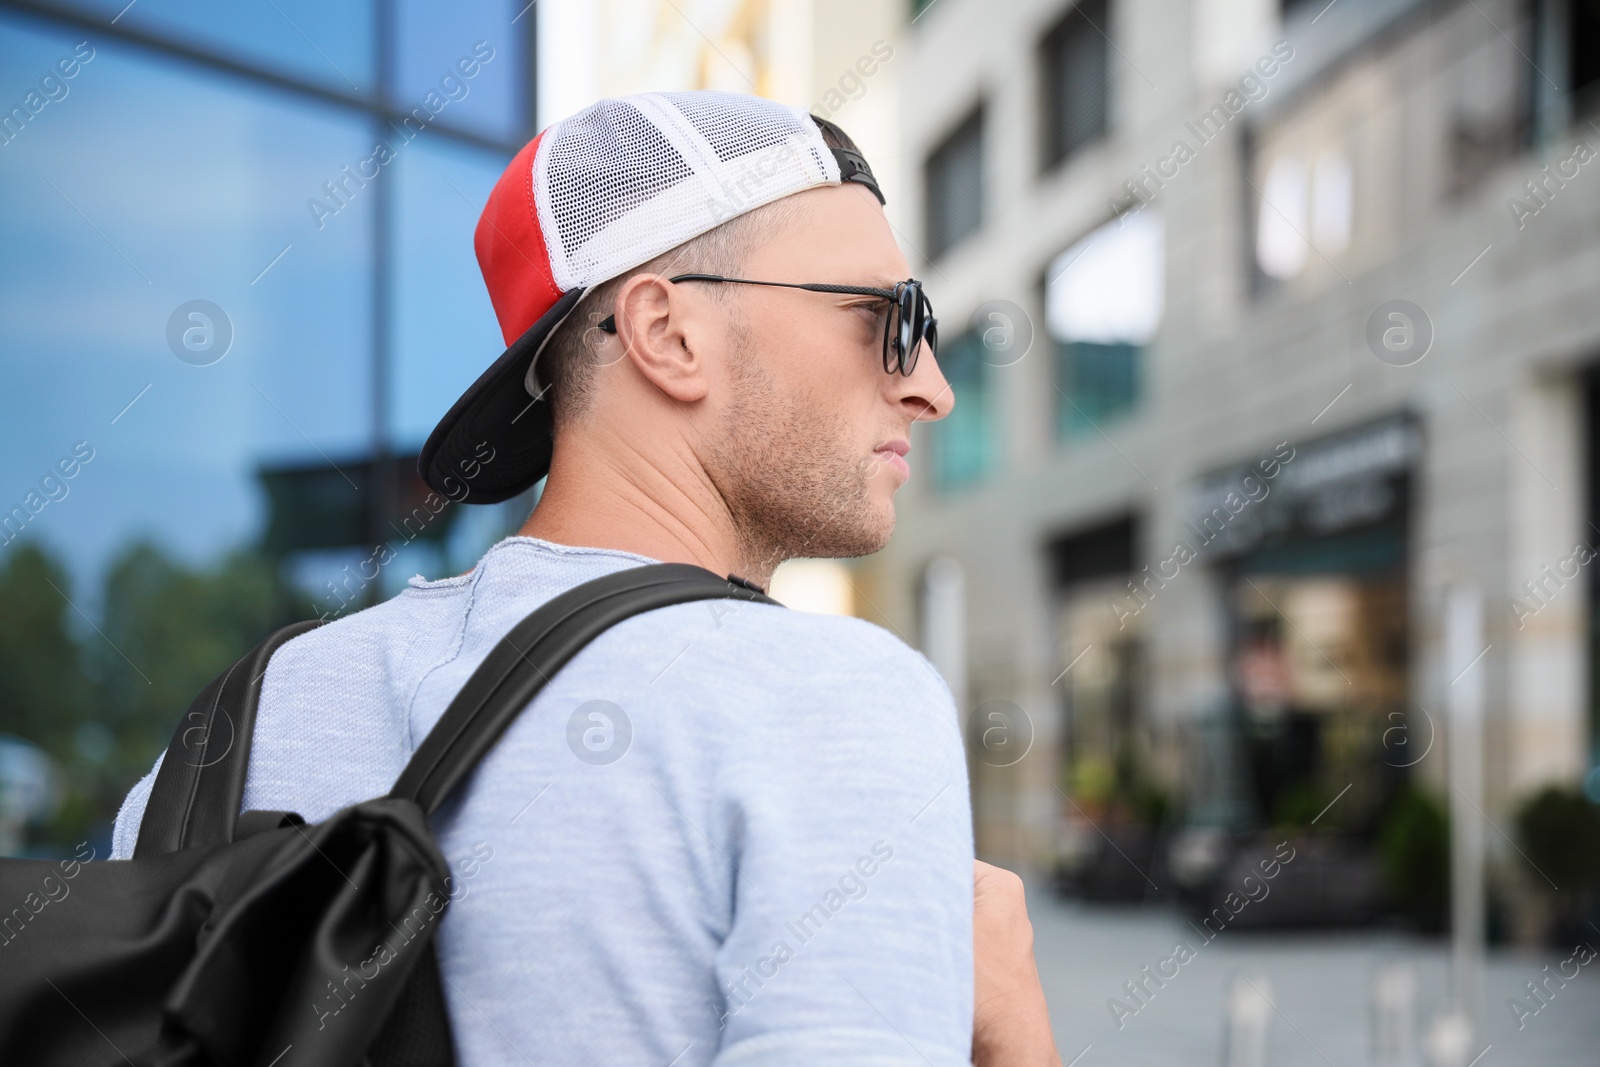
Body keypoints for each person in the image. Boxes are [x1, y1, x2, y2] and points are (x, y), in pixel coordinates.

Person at [112, 90, 1058, 1067]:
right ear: (667, 331)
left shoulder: (243, 721)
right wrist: (1017, 1030)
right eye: (887, 316)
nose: (930, 385)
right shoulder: (837, 700)